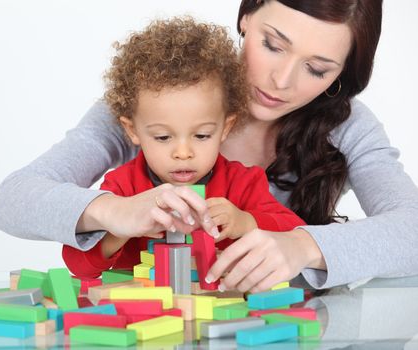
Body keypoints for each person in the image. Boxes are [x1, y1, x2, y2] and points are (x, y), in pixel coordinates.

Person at [0, 0, 418, 292]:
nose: (281, 81)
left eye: (317, 68)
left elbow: (412, 232)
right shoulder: (156, 95)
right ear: (246, 15)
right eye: (272, 45)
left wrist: (304, 246)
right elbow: (12, 199)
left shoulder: (347, 126)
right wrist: (115, 212)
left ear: (342, 75)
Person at [61, 17, 305, 279]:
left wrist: (245, 221)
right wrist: (120, 229)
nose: (183, 152)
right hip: (146, 315)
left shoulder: (243, 183)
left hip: (220, 312)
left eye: (201, 135)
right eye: (163, 137)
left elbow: (296, 233)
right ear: (133, 131)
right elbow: (77, 263)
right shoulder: (123, 187)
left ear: (225, 128)